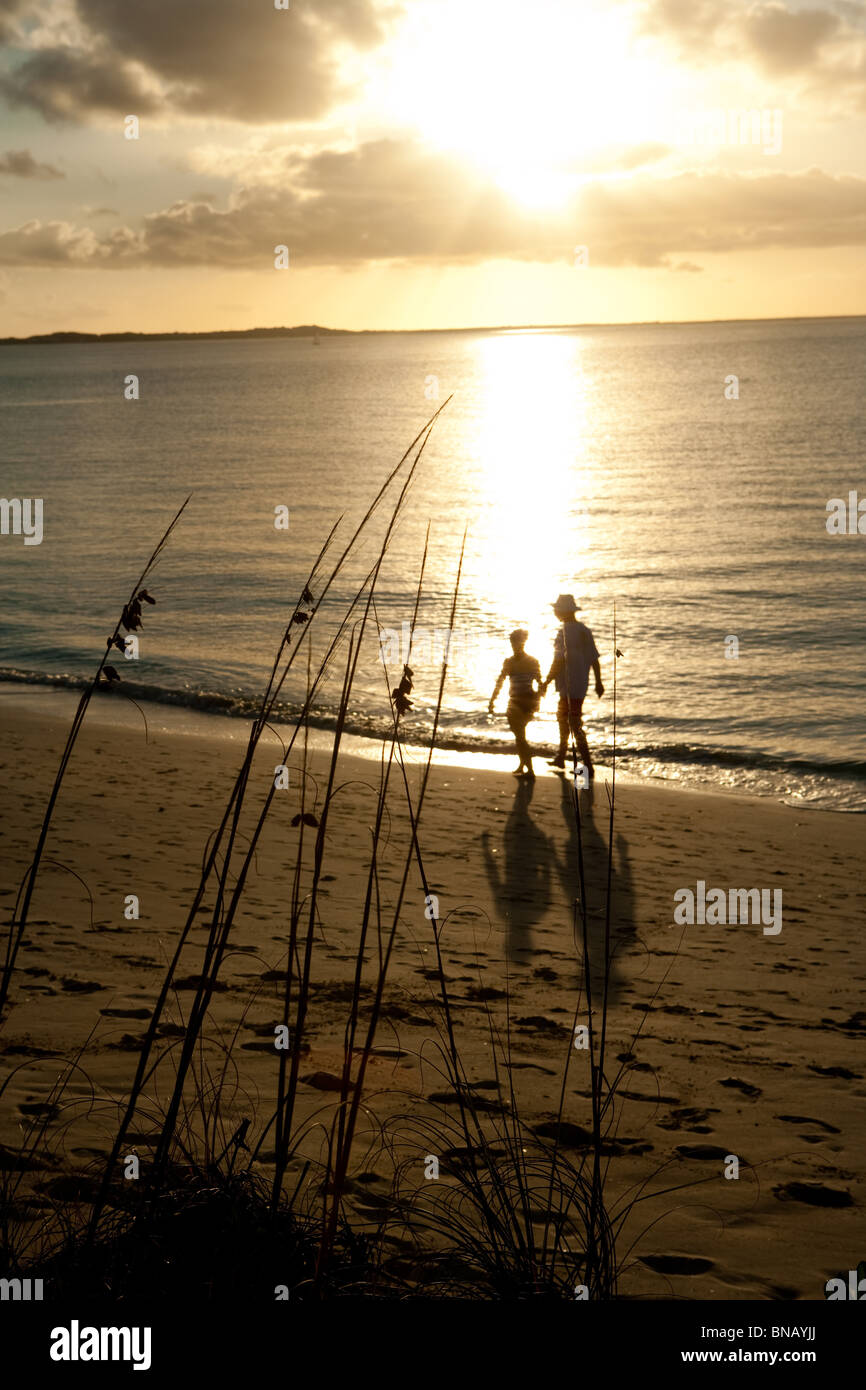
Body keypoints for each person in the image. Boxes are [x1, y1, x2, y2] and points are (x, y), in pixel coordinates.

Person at [540, 593, 604, 777]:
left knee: (572, 723)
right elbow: (594, 659)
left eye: (556, 610)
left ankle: (587, 765)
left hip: (568, 685)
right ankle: (561, 757)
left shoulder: (564, 632)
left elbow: (558, 661)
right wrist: (598, 682)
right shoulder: (584, 630)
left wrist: (546, 680)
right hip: (581, 684)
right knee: (567, 719)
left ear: (561, 612)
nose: (554, 612)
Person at [488, 628, 543, 778]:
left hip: (526, 700)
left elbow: (540, 682)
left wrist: (537, 699)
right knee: (519, 735)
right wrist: (493, 700)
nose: (515, 646)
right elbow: (500, 681)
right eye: (513, 643)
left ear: (523, 643)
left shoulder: (532, 661)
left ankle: (530, 769)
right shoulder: (509, 662)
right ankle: (522, 764)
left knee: (520, 736)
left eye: (517, 642)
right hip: (514, 701)